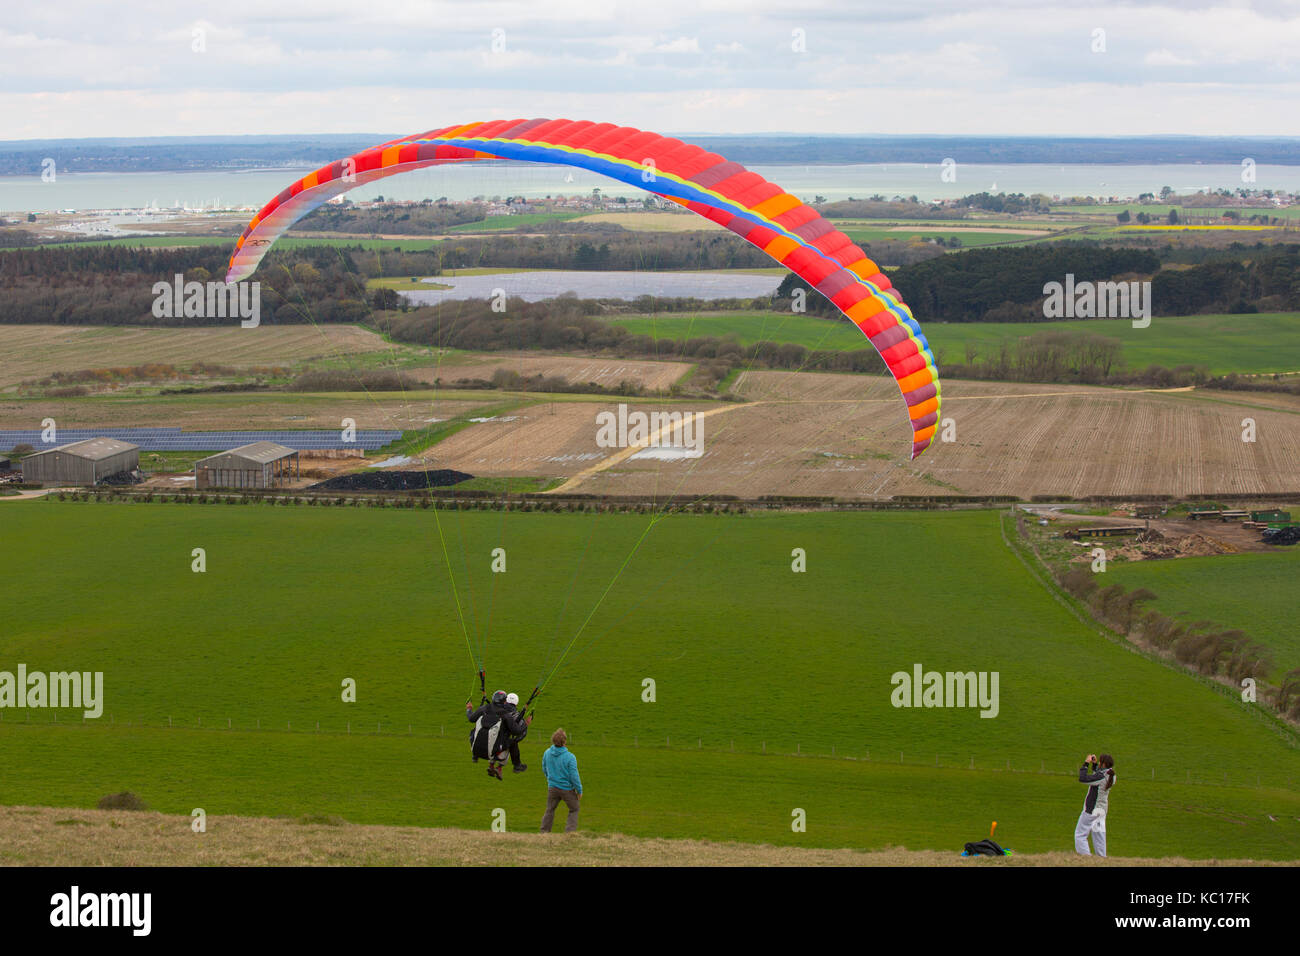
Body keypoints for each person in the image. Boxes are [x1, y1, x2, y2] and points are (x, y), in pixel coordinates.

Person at [466, 690, 528, 780]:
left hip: (475, 749)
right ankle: (516, 766)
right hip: (492, 751)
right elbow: (517, 731)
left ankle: (476, 757)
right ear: (504, 701)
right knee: (511, 741)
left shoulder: (484, 708)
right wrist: (526, 723)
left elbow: (471, 718)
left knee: (475, 730)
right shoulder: (505, 715)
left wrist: (469, 709)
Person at [540, 728, 583, 833]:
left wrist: (550, 779)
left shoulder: (547, 753)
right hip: (567, 789)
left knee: (550, 809)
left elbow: (544, 768)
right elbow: (574, 776)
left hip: (552, 787)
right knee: (574, 808)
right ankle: (569, 833)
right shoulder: (570, 757)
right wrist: (579, 790)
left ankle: (544, 832)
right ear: (564, 741)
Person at [1074, 753, 1116, 857]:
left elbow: (1083, 779)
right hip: (1101, 811)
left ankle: (1087, 860)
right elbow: (1098, 776)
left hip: (1092, 810)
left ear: (1104, 764)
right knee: (1099, 836)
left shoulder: (1101, 777)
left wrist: (1086, 764)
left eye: (1101, 762)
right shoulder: (1112, 775)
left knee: (1080, 835)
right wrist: (1095, 765)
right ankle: (1102, 860)